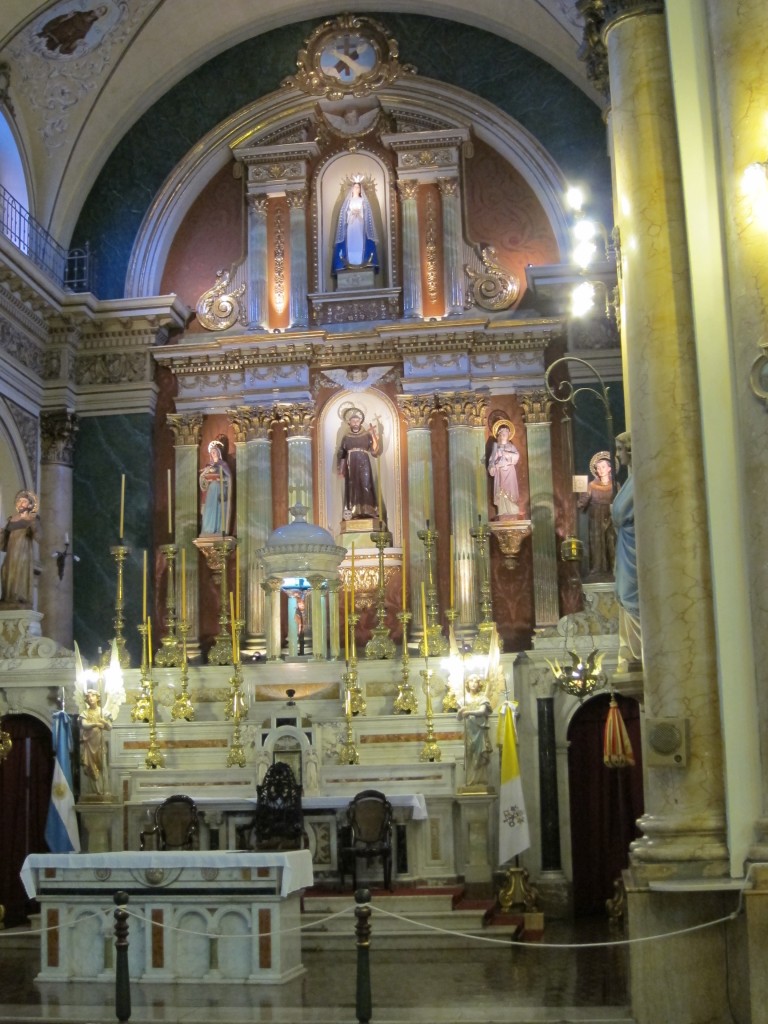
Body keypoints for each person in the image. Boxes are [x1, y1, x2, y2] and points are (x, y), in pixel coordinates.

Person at [611, 431, 642, 668]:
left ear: (631, 450)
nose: (618, 454)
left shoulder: (638, 479)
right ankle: (632, 650)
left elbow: (620, 513)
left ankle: (638, 651)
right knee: (624, 595)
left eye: (620, 449)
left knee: (631, 595)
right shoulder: (631, 479)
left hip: (633, 550)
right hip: (626, 547)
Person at [337, 407, 381, 520]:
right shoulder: (346, 437)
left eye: (357, 421)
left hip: (364, 461)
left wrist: (376, 439)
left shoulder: (367, 435)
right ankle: (354, 512)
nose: (355, 423)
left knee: (366, 484)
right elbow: (342, 452)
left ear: (360, 422)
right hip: (351, 463)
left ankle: (369, 510)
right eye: (353, 421)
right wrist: (341, 469)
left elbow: (374, 452)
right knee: (353, 486)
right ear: (349, 423)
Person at [578, 451, 616, 578]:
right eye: (598, 468)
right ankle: (597, 567)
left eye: (603, 467)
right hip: (595, 517)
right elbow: (583, 501)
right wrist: (577, 501)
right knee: (596, 542)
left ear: (609, 469)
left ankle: (614, 567)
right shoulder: (592, 485)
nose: (600, 470)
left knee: (611, 541)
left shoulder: (615, 485)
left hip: (611, 516)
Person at [0, 490, 41, 607]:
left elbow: (39, 537)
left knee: (20, 572)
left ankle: (19, 597)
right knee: (5, 571)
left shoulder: (32, 519)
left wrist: (33, 529)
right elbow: (3, 540)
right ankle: (8, 597)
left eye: (24, 501)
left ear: (30, 505)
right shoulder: (11, 519)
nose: (21, 503)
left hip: (23, 551)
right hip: (11, 551)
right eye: (19, 501)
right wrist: (2, 533)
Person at [331, 180, 379, 274]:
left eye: (358, 187)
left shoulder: (363, 201)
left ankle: (361, 261)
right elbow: (344, 214)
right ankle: (349, 261)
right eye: (355, 187)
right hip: (351, 224)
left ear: (361, 189)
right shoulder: (349, 201)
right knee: (350, 240)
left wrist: (360, 213)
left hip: (360, 224)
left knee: (360, 240)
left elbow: (367, 214)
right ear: (352, 189)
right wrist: (352, 213)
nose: (356, 189)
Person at [458, 675, 493, 790]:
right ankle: (469, 780)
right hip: (469, 730)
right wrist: (460, 711)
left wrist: (468, 712)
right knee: (469, 753)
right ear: (467, 684)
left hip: (479, 730)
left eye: (475, 681)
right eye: (471, 681)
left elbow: (482, 711)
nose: (473, 683)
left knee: (480, 753)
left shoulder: (483, 698)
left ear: (479, 684)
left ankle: (480, 780)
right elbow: (459, 718)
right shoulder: (463, 699)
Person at [79, 690, 112, 799]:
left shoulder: (103, 712)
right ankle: (95, 790)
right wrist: (96, 724)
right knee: (90, 766)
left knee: (102, 764)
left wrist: (104, 722)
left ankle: (103, 789)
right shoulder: (85, 712)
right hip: (89, 743)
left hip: (99, 743)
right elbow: (84, 725)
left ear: (98, 698)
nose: (90, 698)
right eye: (88, 697)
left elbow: (109, 727)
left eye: (93, 696)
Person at [488, 419, 520, 518]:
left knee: (510, 489)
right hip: (500, 472)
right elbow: (492, 460)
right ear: (499, 435)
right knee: (501, 490)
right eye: (502, 434)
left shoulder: (511, 446)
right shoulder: (496, 447)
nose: (503, 436)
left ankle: (512, 508)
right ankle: (502, 509)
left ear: (508, 435)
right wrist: (493, 466)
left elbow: (516, 456)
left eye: (505, 434)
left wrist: (507, 453)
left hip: (510, 471)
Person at [199, 437, 232, 535]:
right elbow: (203, 480)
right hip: (210, 492)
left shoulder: (223, 464)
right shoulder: (209, 466)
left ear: (218, 452)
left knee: (218, 510)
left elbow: (229, 478)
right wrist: (204, 476)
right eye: (211, 452)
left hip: (219, 490)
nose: (213, 453)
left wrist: (220, 479)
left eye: (214, 452)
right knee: (209, 509)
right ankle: (208, 529)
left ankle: (217, 529)